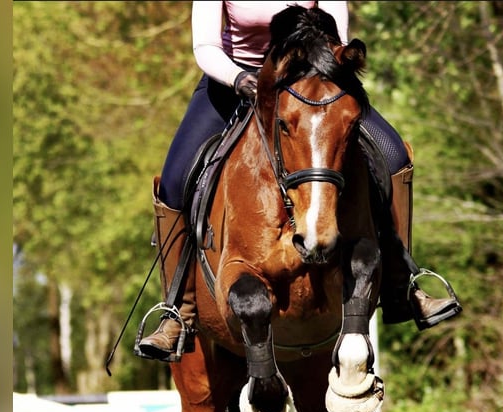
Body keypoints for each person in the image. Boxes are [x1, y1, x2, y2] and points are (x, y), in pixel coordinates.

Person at [139, 1, 461, 361]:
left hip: (313, 80)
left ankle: (403, 284)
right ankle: (177, 313)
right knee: (173, 178)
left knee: (394, 155)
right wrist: (240, 78)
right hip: (235, 80)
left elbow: (336, 38)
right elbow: (206, 46)